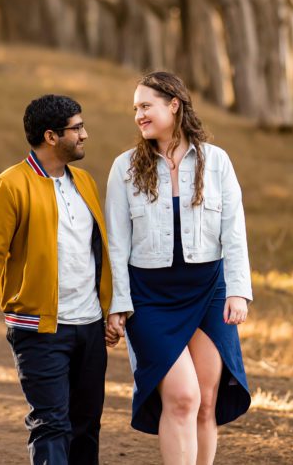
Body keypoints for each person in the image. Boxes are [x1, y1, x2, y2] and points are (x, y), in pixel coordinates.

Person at [104, 72, 252, 465]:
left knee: (206, 401)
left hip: (209, 293)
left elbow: (234, 232)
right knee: (183, 397)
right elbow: (116, 244)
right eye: (135, 108)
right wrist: (118, 304)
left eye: (146, 105)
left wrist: (238, 290)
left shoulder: (216, 162)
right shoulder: (124, 168)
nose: (138, 115)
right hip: (150, 299)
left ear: (174, 104)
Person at [0, 94, 113, 465]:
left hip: (89, 325)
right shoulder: (8, 186)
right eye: (77, 129)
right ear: (51, 136)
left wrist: (112, 310)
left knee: (86, 426)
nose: (85, 135)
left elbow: (100, 251)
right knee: (51, 424)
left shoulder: (85, 183)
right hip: (39, 329)